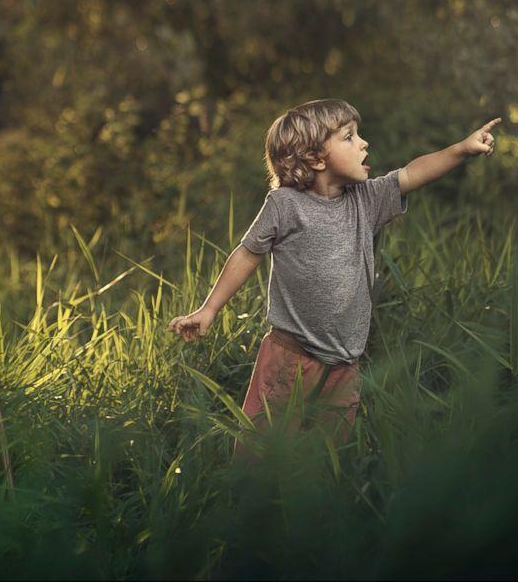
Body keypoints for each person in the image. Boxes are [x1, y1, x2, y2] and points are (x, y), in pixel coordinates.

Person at [168, 99, 501, 447]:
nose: (363, 143)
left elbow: (413, 173)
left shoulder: (365, 200)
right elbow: (247, 254)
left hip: (344, 364)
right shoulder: (284, 205)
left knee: (326, 458)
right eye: (349, 137)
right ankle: (251, 500)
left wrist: (463, 149)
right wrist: (209, 309)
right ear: (315, 157)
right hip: (289, 358)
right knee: (264, 453)